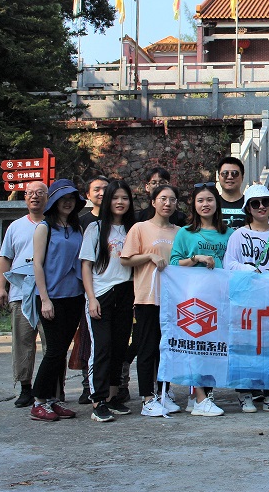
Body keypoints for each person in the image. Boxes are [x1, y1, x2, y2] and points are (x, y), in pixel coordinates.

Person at [224, 184, 269, 413]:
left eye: (265, 202)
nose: (261, 207)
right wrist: (248, 269)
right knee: (245, 347)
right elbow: (228, 264)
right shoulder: (238, 235)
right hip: (246, 300)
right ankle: (245, 394)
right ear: (248, 208)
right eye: (255, 203)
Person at [170, 182, 233, 416]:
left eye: (209, 200)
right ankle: (200, 398)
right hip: (194, 299)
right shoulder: (185, 233)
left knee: (214, 347)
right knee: (195, 346)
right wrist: (196, 258)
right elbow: (174, 263)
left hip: (221, 297)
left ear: (217, 203)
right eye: (200, 200)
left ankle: (200, 395)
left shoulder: (229, 233)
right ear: (193, 205)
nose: (205, 204)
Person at [120, 185, 182, 417]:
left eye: (172, 200)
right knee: (147, 348)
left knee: (166, 349)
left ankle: (163, 393)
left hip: (173, 299)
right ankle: (147, 398)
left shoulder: (180, 232)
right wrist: (149, 256)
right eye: (163, 199)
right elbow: (125, 259)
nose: (168, 203)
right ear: (153, 202)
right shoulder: (140, 228)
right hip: (148, 297)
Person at [29, 180, 86, 422]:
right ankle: (38, 401)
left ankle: (52, 400)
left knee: (62, 350)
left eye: (72, 198)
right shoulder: (44, 228)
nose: (68, 202)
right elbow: (37, 264)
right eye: (63, 198)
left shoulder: (76, 228)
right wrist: (45, 299)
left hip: (74, 296)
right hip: (51, 297)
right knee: (53, 351)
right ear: (54, 201)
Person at [80, 180, 136, 422]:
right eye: (115, 197)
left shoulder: (133, 229)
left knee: (119, 347)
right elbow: (86, 266)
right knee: (101, 347)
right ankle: (98, 400)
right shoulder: (95, 228)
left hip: (126, 292)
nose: (120, 202)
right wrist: (91, 298)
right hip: (101, 292)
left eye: (124, 198)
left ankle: (113, 398)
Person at [0, 182, 49, 408]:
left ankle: (52, 389)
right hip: (20, 293)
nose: (34, 197)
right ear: (25, 197)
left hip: (48, 294)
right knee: (22, 343)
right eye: (30, 193)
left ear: (47, 197)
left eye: (40, 193)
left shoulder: (54, 225)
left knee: (51, 344)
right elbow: (5, 258)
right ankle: (25, 388)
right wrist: (1, 288)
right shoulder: (15, 227)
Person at [74, 174, 110, 403]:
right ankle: (88, 386)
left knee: (110, 343)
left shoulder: (121, 222)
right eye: (97, 189)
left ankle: (115, 388)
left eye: (106, 188)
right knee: (88, 341)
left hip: (113, 292)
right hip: (87, 289)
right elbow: (83, 261)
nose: (102, 193)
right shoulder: (83, 222)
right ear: (88, 194)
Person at [217, 156, 246, 228]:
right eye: (225, 173)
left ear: (242, 177)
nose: (230, 177)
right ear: (218, 177)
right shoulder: (212, 204)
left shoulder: (251, 204)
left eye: (235, 173)